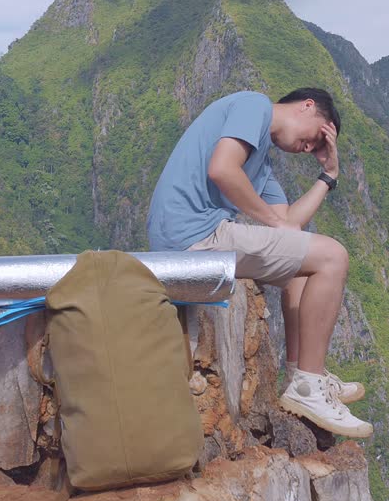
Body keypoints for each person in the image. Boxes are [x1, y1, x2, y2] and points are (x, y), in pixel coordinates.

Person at [147, 88, 372, 439]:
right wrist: (272, 221)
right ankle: (309, 387)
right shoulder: (254, 105)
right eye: (319, 136)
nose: (311, 148)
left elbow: (290, 227)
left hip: (196, 235)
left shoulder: (261, 164)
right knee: (334, 256)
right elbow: (223, 170)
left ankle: (302, 374)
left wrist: (327, 177)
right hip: (192, 235)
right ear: (307, 106)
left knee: (302, 266)